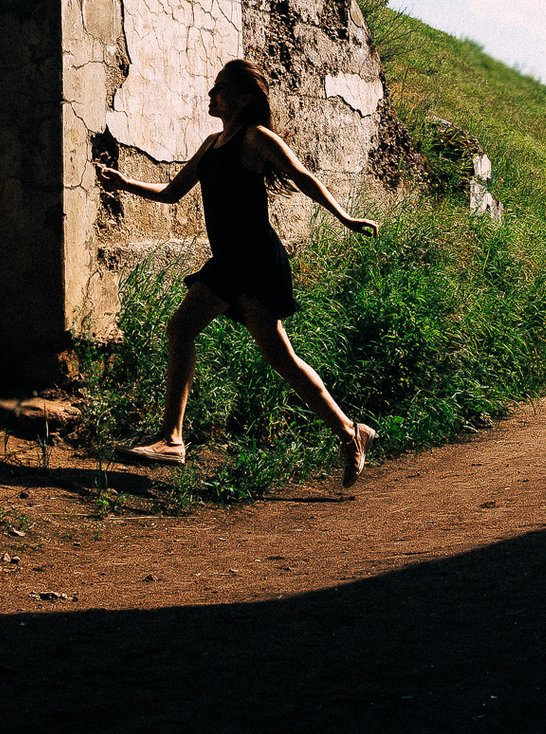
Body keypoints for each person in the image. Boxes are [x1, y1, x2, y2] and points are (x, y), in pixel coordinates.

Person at [95, 58, 382, 486]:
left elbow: (303, 177)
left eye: (220, 89)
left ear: (243, 98)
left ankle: (173, 439)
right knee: (241, 345)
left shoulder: (256, 138)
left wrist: (345, 218)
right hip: (230, 260)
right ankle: (349, 430)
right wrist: (125, 184)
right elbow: (173, 192)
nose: (212, 95)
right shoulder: (212, 143)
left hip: (256, 260)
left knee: (217, 339)